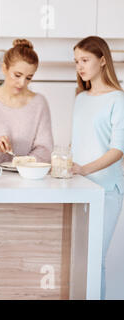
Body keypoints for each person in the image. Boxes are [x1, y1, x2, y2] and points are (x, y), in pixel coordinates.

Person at [71, 36, 124, 299]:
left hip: (106, 191)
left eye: (85, 60)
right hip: (79, 190)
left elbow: (118, 149)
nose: (80, 66)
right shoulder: (80, 98)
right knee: (80, 259)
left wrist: (83, 169)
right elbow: (79, 143)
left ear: (102, 60)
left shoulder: (118, 99)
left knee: (95, 259)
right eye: (76, 61)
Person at [0, 39, 54, 165]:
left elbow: (45, 150)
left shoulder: (39, 103)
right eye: (17, 75)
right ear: (4, 68)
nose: (22, 83)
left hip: (28, 179)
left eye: (29, 77)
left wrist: (23, 163)